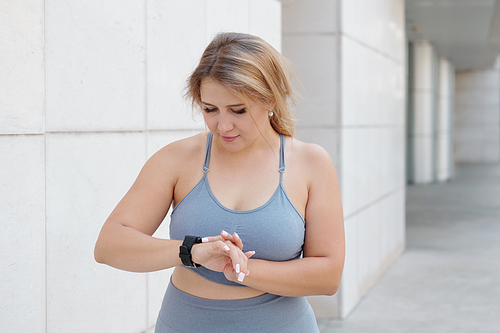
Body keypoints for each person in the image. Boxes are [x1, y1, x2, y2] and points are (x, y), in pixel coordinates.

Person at [94, 32, 345, 332]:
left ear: (270, 99)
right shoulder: (177, 159)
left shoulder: (310, 163)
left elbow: (328, 275)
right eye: (209, 109)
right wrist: (193, 251)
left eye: (238, 110)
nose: (222, 126)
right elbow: (109, 245)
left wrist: (240, 268)